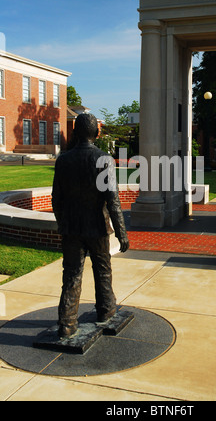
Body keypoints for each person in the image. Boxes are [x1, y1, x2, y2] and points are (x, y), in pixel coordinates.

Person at [52, 113, 129, 338]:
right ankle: (105, 310)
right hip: (97, 226)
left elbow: (57, 199)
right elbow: (112, 200)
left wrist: (63, 224)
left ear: (75, 132)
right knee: (103, 270)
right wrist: (121, 232)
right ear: (97, 133)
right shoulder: (103, 159)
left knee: (72, 275)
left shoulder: (63, 160)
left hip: (72, 228)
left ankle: (67, 324)